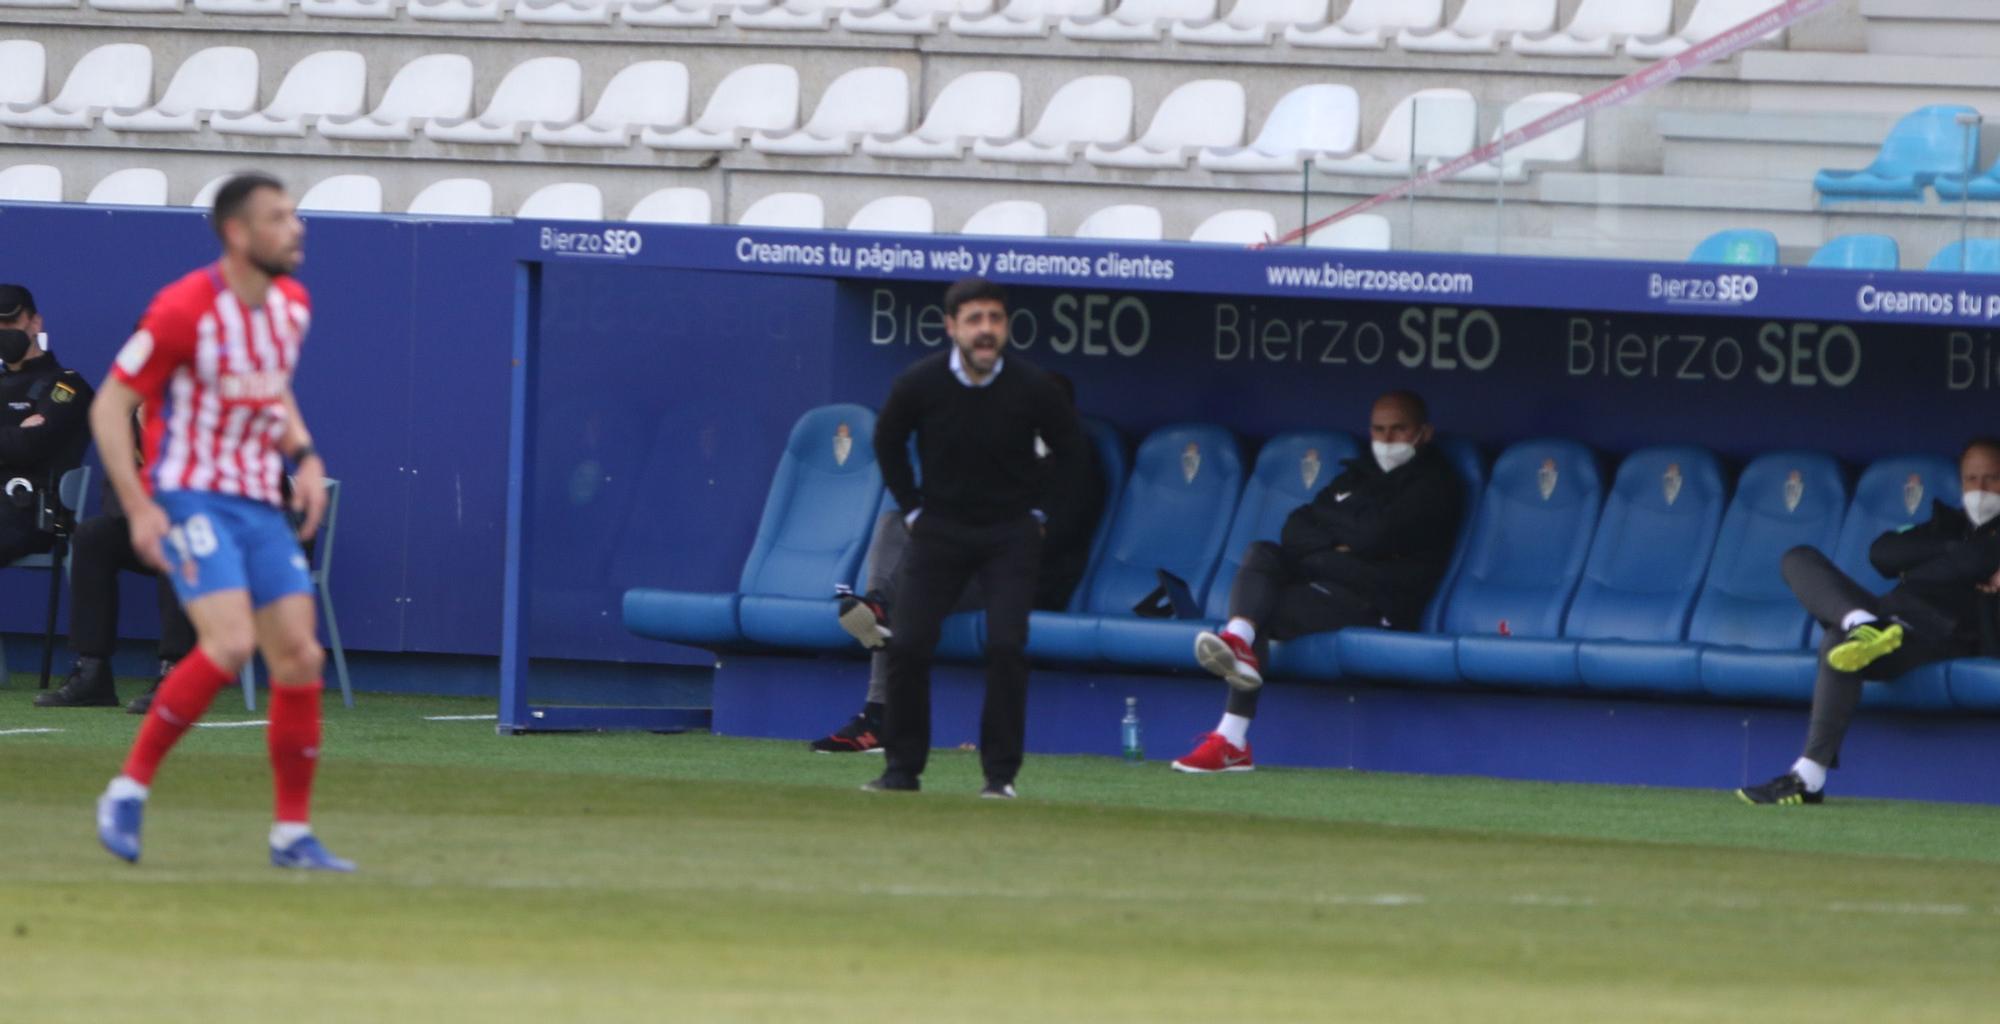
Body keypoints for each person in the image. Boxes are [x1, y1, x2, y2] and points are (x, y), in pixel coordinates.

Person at [91, 172, 348, 871]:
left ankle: (291, 834)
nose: (297, 228)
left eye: (296, 215)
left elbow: (274, 389)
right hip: (189, 494)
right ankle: (128, 788)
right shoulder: (182, 308)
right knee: (232, 642)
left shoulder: (291, 304)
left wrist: (302, 452)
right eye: (279, 217)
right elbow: (110, 407)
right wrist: (139, 506)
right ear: (238, 233)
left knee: (299, 655)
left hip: (257, 498)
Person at [864, 277, 1083, 798]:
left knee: (1007, 646)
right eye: (975, 320)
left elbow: (1073, 453)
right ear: (952, 327)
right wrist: (913, 508)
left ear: (1006, 326)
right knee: (910, 644)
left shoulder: (1033, 388)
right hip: (940, 530)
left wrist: (1040, 514)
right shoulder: (921, 382)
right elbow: (887, 439)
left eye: (995, 319)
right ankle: (902, 770)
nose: (986, 330)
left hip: (1010, 534)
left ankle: (999, 777)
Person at [811, 371, 1105, 754]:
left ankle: (879, 717)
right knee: (896, 524)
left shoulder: (1077, 463)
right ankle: (878, 605)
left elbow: (1042, 537)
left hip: (1022, 581)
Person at [1173, 390, 1463, 773]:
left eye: (1398, 429)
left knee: (1265, 607)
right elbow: (1295, 526)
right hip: (1327, 583)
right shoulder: (1357, 475)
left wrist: (1332, 537)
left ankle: (1232, 739)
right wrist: (1341, 544)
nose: (1387, 440)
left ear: (1423, 433)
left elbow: (1375, 536)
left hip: (1377, 601)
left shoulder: (1435, 484)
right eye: (1379, 430)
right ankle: (1239, 640)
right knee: (1262, 553)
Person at [1738, 438, 2000, 805]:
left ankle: (1808, 776)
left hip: (1937, 631)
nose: (1981, 490)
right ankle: (1861, 622)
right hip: (1887, 614)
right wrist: (1953, 552)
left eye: (1992, 479)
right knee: (1797, 558)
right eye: (1972, 479)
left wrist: (1947, 561)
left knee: (1837, 643)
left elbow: (1971, 561)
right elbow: (1884, 553)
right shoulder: (1947, 525)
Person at [31, 411, 195, 710]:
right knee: (92, 537)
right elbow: (115, 493)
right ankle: (92, 672)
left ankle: (178, 673)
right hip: (152, 531)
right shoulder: (125, 422)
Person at [0, 283, 95, 565]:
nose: (2, 330)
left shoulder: (66, 385)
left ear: (35, 323)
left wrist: (19, 441)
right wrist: (14, 435)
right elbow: (17, 443)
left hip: (29, 515)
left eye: (10, 320)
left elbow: (29, 447)